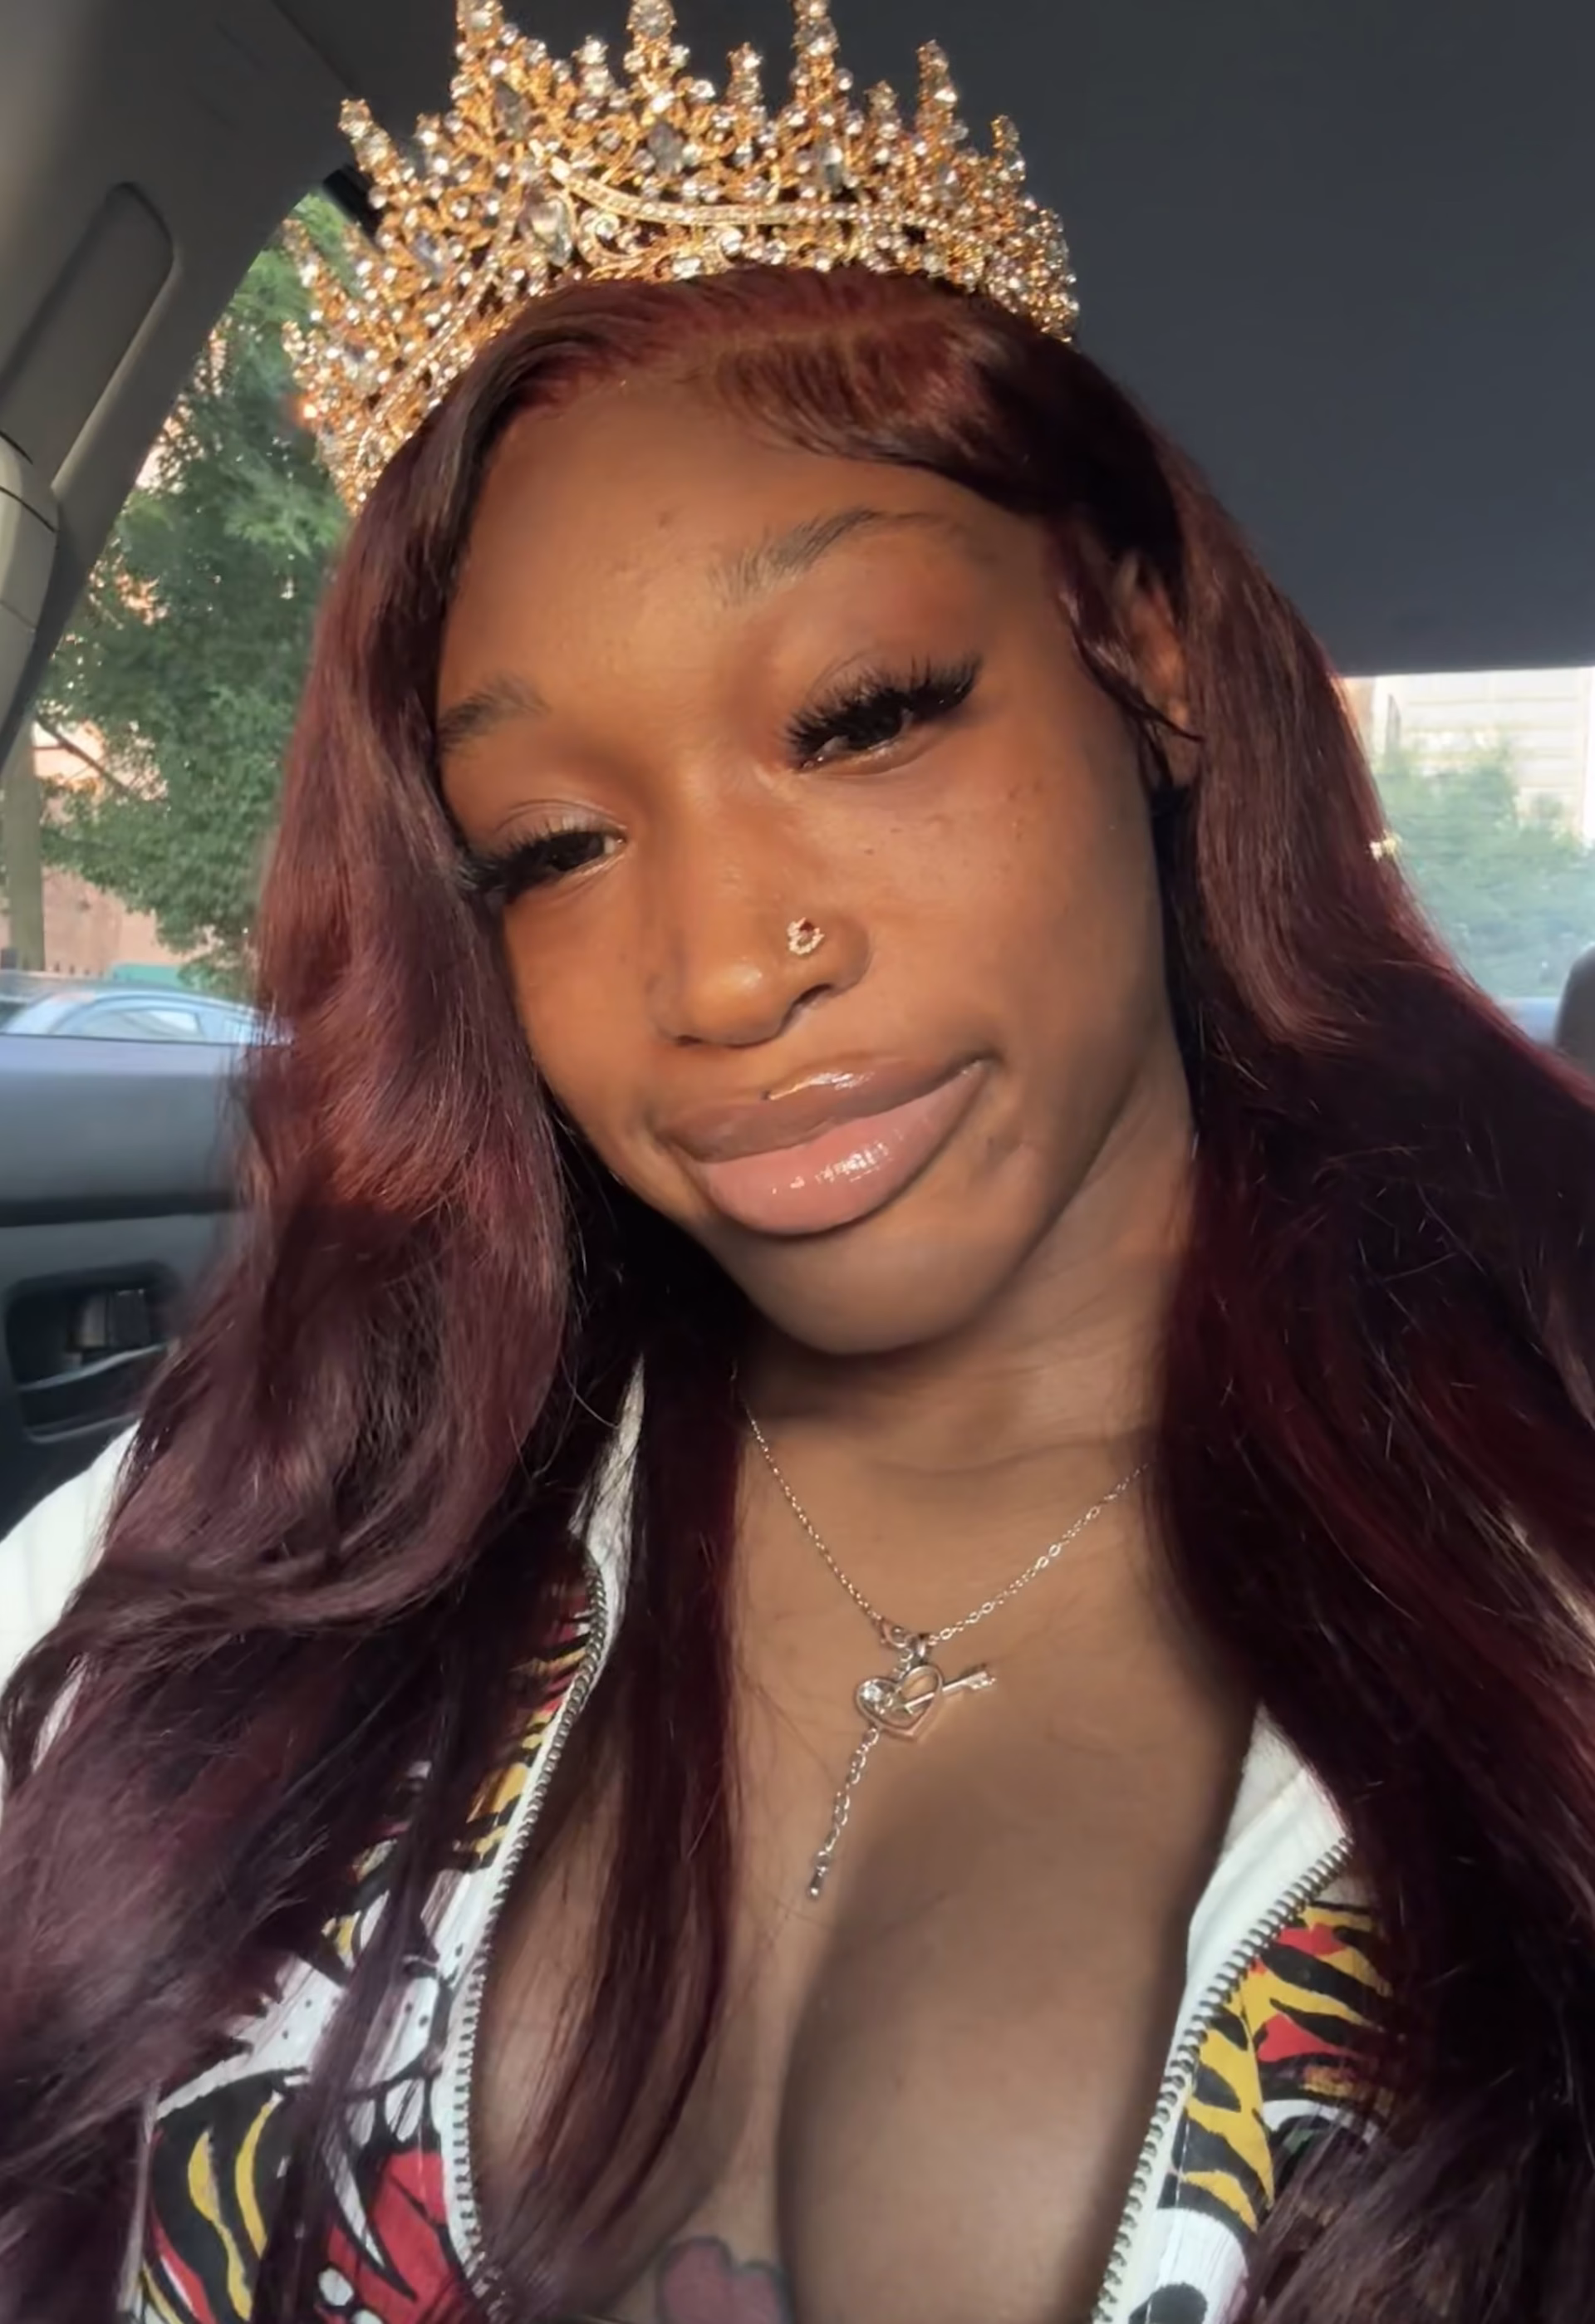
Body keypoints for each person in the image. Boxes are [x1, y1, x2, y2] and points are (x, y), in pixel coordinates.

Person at [6, 3, 1595, 2320]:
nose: (724, 971)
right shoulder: (283, 1510)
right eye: (552, 844)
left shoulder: (1547, 1511)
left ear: (1142, 653)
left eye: (861, 718)